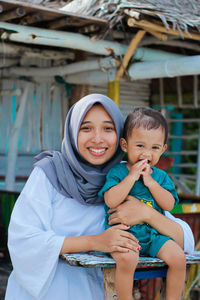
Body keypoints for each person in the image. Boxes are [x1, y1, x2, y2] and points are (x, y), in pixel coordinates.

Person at [5, 95, 194, 300]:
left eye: (108, 129)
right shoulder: (50, 173)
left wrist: (146, 213)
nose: (97, 138)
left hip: (98, 291)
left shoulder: (131, 177)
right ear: (72, 131)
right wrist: (96, 242)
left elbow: (184, 240)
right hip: (48, 292)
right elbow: (24, 240)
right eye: (86, 128)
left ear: (120, 138)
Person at [99, 107, 187, 300]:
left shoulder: (160, 177)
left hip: (154, 235)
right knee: (127, 260)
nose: (147, 153)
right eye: (140, 146)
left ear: (163, 149)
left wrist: (151, 183)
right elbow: (110, 200)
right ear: (125, 145)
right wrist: (131, 177)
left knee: (178, 258)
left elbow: (169, 204)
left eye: (155, 148)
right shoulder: (118, 173)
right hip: (125, 236)